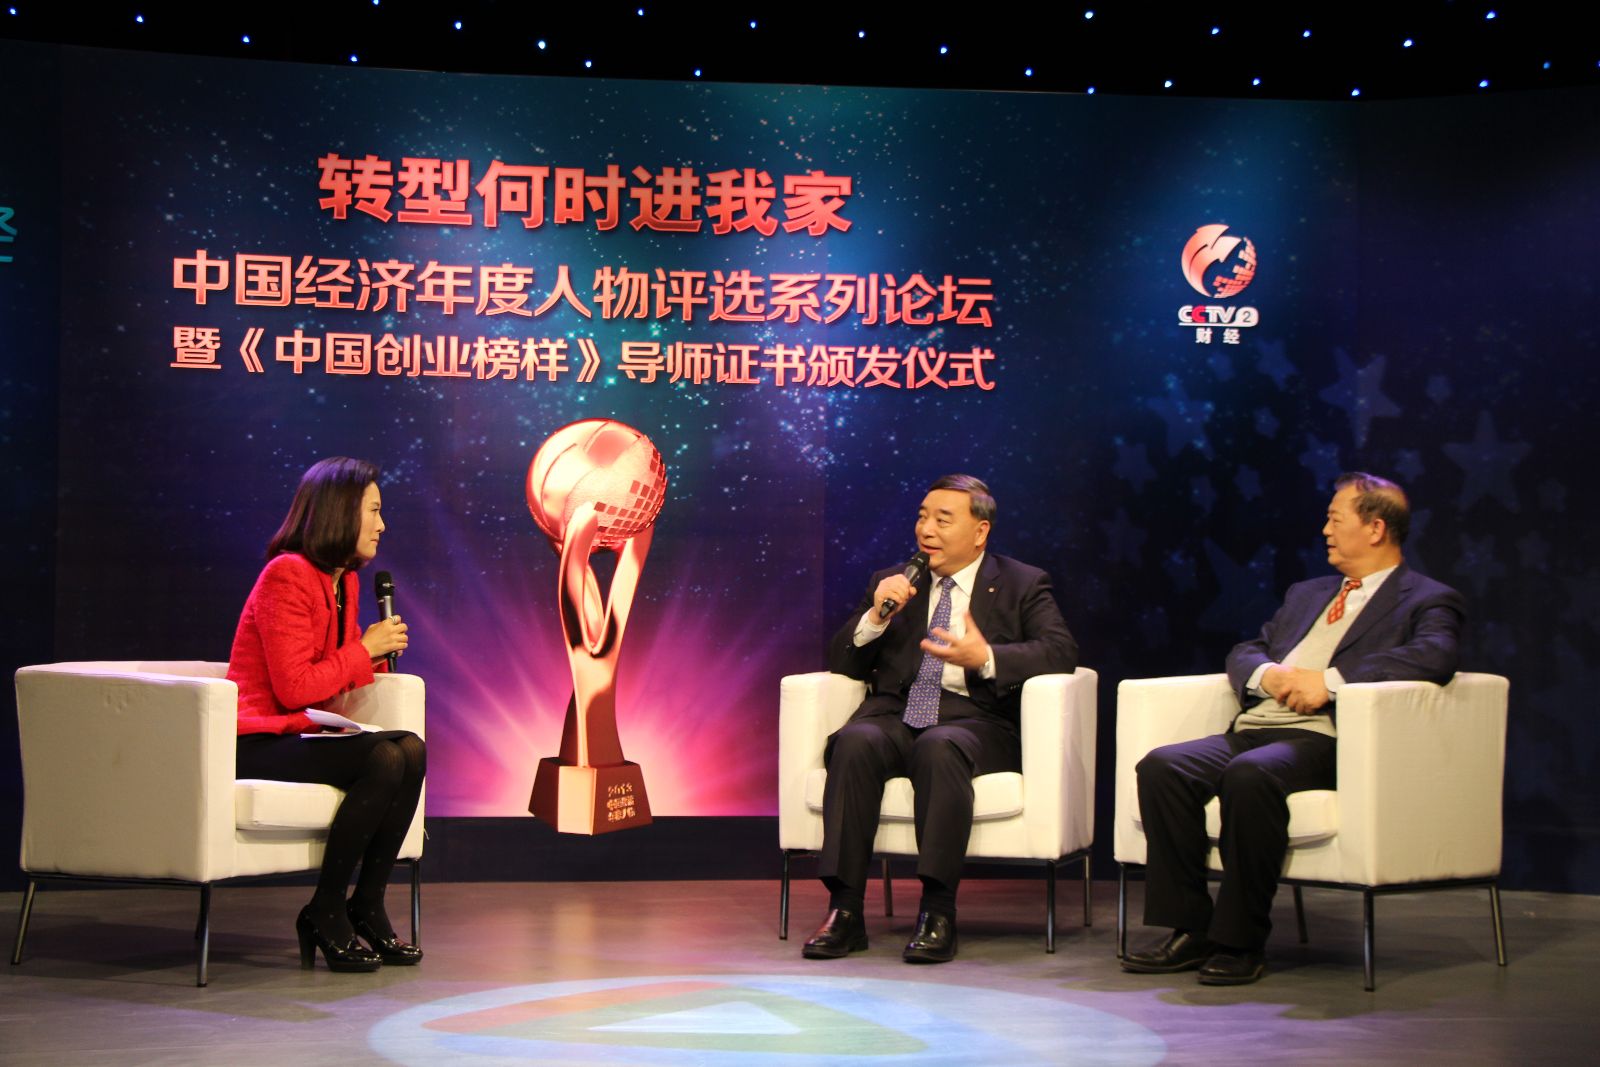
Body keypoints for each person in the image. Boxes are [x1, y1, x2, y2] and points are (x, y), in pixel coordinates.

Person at [1123, 472, 1465, 985]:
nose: (1325, 529)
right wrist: (1268, 674)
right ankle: (1191, 929)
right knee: (1163, 767)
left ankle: (1240, 941)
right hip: (1256, 728)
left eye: (1335, 518)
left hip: (1323, 739)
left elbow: (1434, 655)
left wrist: (1331, 681)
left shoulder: (1427, 599)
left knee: (1250, 774)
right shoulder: (1309, 594)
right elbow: (1248, 649)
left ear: (1375, 528)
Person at [802, 474, 1078, 963]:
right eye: (922, 517)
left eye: (942, 519)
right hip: (897, 715)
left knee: (939, 746)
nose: (926, 529)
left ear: (980, 531)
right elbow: (843, 663)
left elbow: (1060, 651)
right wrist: (877, 617)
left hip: (976, 721)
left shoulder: (1022, 583)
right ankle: (844, 911)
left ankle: (937, 912)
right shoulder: (895, 581)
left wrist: (985, 658)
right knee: (856, 740)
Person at [226, 456, 423, 972]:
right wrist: (364, 649)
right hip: (257, 740)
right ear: (340, 511)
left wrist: (371, 653)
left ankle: (367, 905)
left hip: (302, 732)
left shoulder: (344, 581)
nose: (382, 525)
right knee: (383, 757)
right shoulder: (286, 574)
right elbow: (293, 689)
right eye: (374, 511)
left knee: (411, 749)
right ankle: (325, 909)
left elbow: (331, 671)